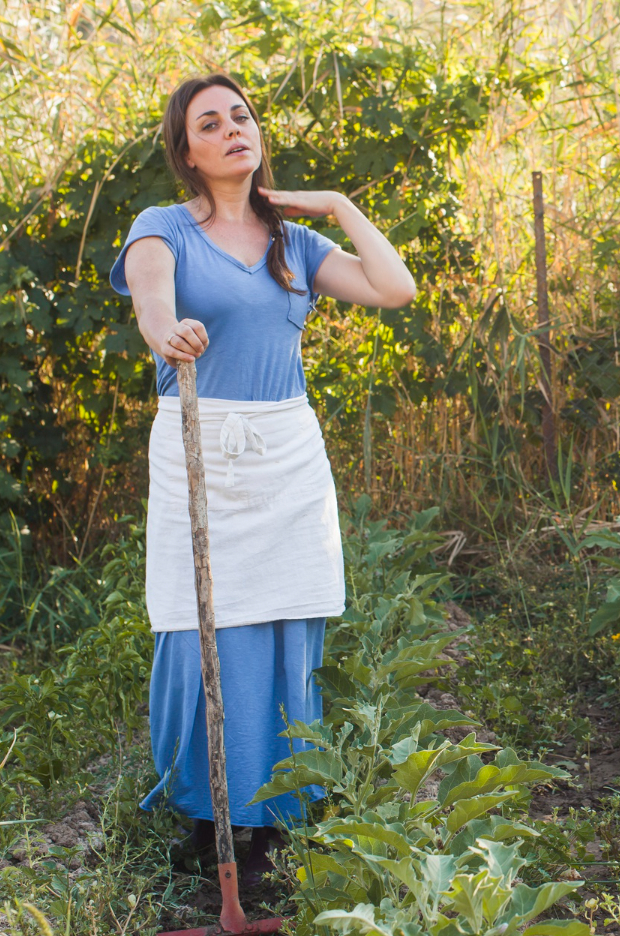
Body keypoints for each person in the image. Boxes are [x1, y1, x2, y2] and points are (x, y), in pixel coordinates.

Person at [109, 73, 415, 875]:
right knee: (198, 625)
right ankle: (204, 812)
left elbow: (395, 287)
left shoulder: (296, 244)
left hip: (285, 453)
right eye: (209, 123)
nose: (232, 130)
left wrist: (338, 205)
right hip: (200, 443)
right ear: (187, 151)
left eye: (240, 116)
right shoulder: (162, 228)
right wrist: (166, 334)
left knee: (286, 623)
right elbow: (150, 300)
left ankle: (277, 815)